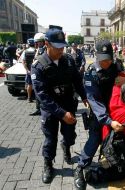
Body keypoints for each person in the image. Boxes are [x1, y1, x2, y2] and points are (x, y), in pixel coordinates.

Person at [74, 40, 125, 190]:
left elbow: (122, 73)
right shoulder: (91, 73)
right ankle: (81, 167)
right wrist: (108, 121)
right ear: (96, 56)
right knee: (95, 139)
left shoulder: (114, 63)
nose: (107, 62)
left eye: (109, 58)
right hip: (101, 114)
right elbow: (94, 102)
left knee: (124, 137)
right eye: (103, 60)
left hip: (116, 109)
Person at [31, 28, 87, 184]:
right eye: (57, 47)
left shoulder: (68, 60)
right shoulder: (38, 65)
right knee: (50, 138)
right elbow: (42, 96)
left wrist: (84, 97)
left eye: (63, 46)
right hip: (50, 109)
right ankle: (48, 164)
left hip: (68, 104)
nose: (61, 50)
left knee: (69, 134)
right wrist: (62, 114)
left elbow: (77, 80)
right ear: (47, 44)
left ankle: (66, 147)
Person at [29, 32, 46, 116]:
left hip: (44, 73)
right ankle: (38, 108)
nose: (37, 44)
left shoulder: (45, 49)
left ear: (43, 41)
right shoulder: (39, 49)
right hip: (38, 73)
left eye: (38, 42)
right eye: (36, 42)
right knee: (37, 92)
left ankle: (44, 108)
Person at [21, 38, 36, 103]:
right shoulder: (37, 50)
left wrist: (27, 70)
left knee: (29, 84)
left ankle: (29, 98)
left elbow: (23, 62)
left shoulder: (25, 51)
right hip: (36, 70)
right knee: (37, 84)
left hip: (29, 70)